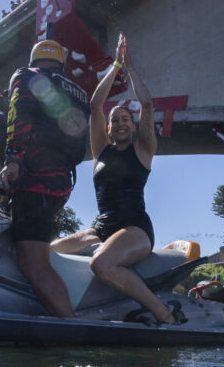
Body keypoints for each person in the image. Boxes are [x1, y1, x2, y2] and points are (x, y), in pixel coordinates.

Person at [51, 34, 183, 325]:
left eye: (125, 119)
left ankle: (164, 315)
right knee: (46, 253)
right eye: (115, 120)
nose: (121, 123)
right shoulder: (101, 151)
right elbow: (96, 104)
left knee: (102, 263)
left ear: (132, 126)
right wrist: (114, 67)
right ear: (108, 129)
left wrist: (129, 67)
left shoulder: (143, 150)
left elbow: (146, 106)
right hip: (101, 228)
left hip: (134, 227)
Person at [0, 39, 89, 318]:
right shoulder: (78, 92)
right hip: (60, 184)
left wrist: (13, 160)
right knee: (30, 249)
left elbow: (20, 115)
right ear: (61, 63)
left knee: (33, 263)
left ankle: (70, 325)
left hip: (34, 180)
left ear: (34, 59)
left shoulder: (27, 76)